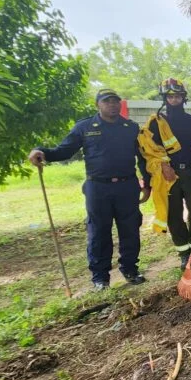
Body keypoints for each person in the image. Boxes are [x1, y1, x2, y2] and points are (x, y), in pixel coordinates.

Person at [28, 89, 155, 291]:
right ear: (98, 104)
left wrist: (147, 185)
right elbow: (64, 150)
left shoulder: (130, 128)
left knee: (130, 229)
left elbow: (143, 159)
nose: (112, 105)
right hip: (98, 187)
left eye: (115, 101)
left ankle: (130, 269)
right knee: (99, 231)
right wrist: (41, 151)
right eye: (107, 102)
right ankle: (100, 277)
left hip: (126, 186)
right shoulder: (85, 127)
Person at [148, 78, 191, 268]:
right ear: (164, 98)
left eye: (177, 95)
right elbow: (151, 149)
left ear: (183, 97)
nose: (174, 99)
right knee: (174, 214)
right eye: (170, 95)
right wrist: (163, 166)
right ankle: (184, 253)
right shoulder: (157, 122)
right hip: (168, 174)